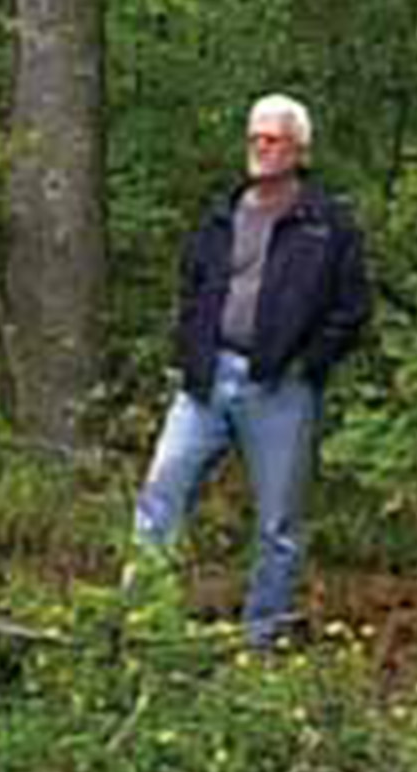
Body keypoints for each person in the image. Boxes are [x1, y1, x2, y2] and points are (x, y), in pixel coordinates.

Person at [129, 92, 372, 649]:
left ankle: (260, 642)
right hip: (206, 381)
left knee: (278, 525)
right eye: (254, 138)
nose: (260, 148)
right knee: (159, 498)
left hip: (279, 390)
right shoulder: (220, 215)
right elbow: (191, 288)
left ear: (299, 149)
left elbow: (352, 309)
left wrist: (306, 366)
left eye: (273, 139)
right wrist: (191, 351)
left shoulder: (327, 225)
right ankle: (136, 626)